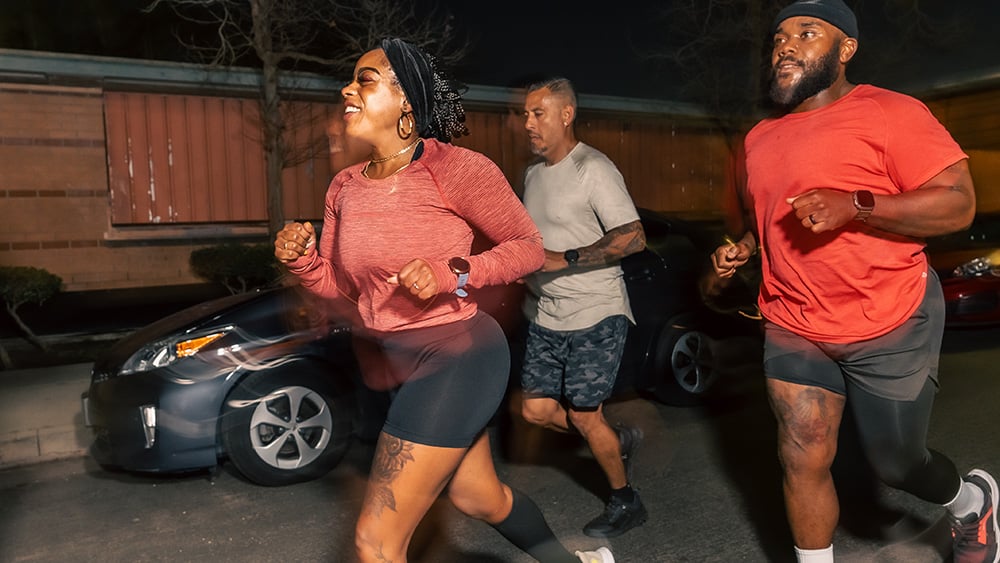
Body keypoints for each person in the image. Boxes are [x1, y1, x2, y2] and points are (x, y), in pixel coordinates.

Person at [274, 38, 614, 563]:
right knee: (479, 497)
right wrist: (304, 263)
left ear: (406, 101)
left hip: (458, 354)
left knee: (375, 541)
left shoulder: (456, 168)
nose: (347, 88)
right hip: (396, 360)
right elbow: (346, 293)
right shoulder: (343, 187)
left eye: (364, 79)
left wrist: (453, 275)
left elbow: (526, 248)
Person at [710, 1, 998, 562]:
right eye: (779, 37)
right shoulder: (759, 138)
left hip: (889, 317)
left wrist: (860, 206)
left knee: (897, 464)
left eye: (807, 32)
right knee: (802, 449)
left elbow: (959, 205)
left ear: (845, 51)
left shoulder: (892, 113)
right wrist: (745, 247)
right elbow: (766, 216)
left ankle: (971, 501)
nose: (786, 45)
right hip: (794, 321)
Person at [518, 77, 648, 538]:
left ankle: (625, 500)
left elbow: (634, 236)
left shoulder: (593, 168)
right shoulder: (532, 175)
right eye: (526, 114)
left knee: (582, 413)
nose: (528, 123)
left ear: (566, 115)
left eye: (538, 114)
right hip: (546, 312)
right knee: (534, 411)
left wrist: (567, 257)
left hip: (596, 309)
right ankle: (615, 439)